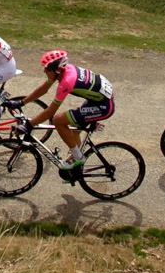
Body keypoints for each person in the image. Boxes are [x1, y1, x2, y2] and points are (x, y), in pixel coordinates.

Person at [15, 50, 114, 182]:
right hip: (97, 101)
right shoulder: (64, 71)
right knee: (73, 132)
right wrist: (21, 102)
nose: (44, 71)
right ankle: (76, 169)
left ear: (57, 70)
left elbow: (51, 112)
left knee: (58, 120)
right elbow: (44, 89)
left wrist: (28, 125)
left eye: (47, 69)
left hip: (103, 107)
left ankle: (78, 157)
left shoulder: (67, 81)